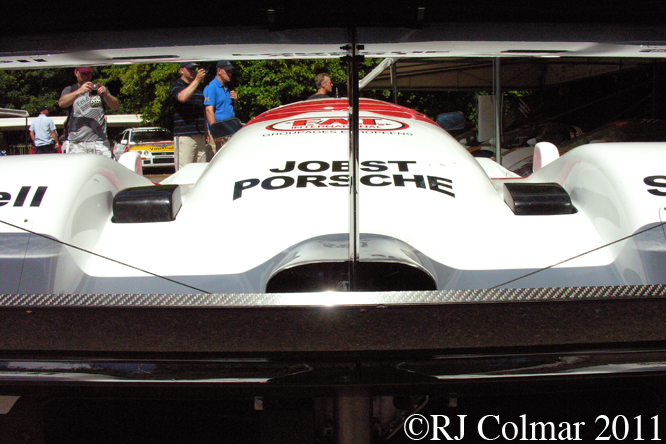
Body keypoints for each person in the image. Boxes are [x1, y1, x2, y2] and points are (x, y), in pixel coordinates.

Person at [58, 66, 120, 158]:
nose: (86, 76)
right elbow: (61, 103)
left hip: (99, 141)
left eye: (89, 73)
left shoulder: (99, 89)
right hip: (76, 142)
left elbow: (116, 106)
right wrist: (78, 92)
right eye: (83, 74)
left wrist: (106, 95)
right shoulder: (71, 89)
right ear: (76, 73)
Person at [171, 62, 211, 169]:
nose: (193, 71)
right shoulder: (177, 85)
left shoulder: (199, 87)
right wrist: (196, 80)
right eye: (190, 69)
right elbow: (182, 98)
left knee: (200, 170)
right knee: (184, 169)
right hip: (184, 135)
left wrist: (205, 131)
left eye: (194, 69)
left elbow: (202, 109)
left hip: (199, 134)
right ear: (181, 70)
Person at [204, 60, 237, 152]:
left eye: (230, 71)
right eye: (227, 71)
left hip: (230, 129)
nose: (230, 74)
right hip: (220, 132)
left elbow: (228, 109)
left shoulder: (227, 87)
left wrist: (234, 101)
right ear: (219, 71)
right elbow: (208, 111)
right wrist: (216, 132)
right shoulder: (211, 87)